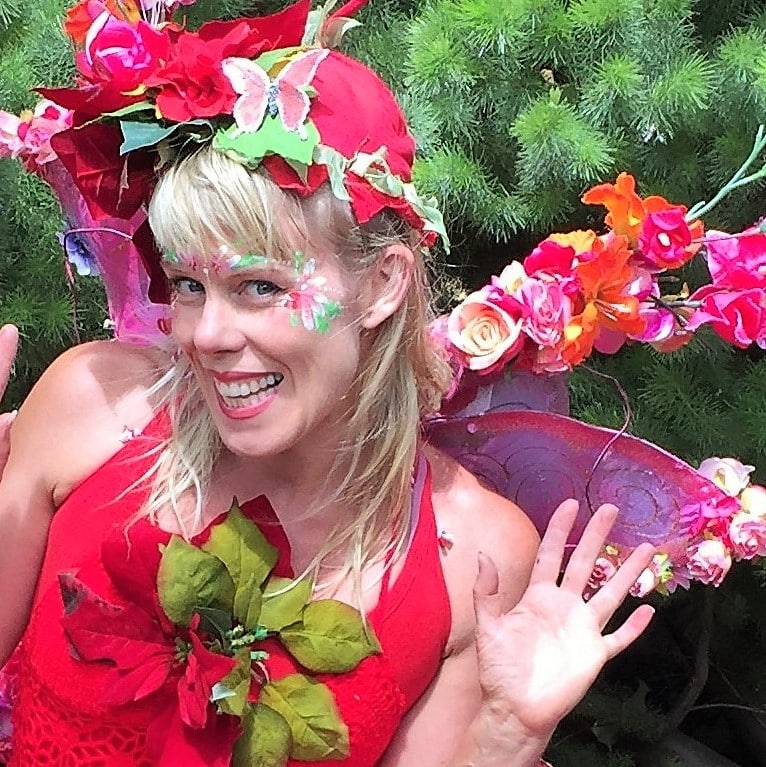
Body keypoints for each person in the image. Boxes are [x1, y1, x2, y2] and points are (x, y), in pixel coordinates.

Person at [0, 1, 656, 765]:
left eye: (260, 287)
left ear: (382, 283)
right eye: (186, 284)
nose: (206, 334)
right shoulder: (93, 406)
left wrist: (507, 737)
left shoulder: (470, 557)